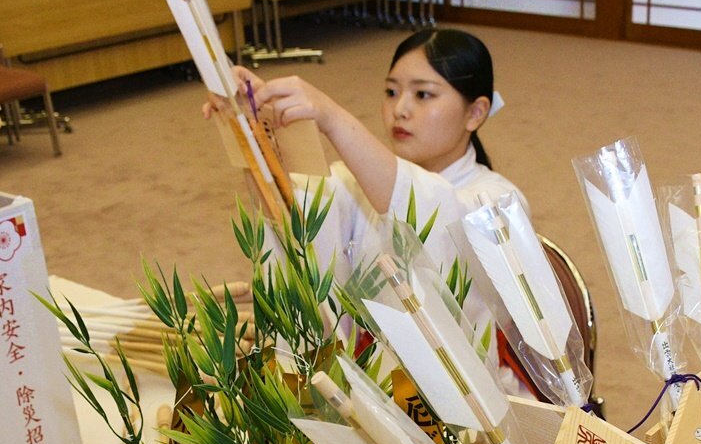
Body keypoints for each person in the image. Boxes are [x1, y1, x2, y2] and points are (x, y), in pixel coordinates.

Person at [211, 28, 533, 396]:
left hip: (465, 404)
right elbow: (290, 222)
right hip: (366, 392)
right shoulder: (358, 181)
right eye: (392, 92)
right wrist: (251, 128)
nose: (400, 109)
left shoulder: (496, 201)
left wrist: (331, 117)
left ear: (475, 112)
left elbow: (432, 215)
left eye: (423, 94)